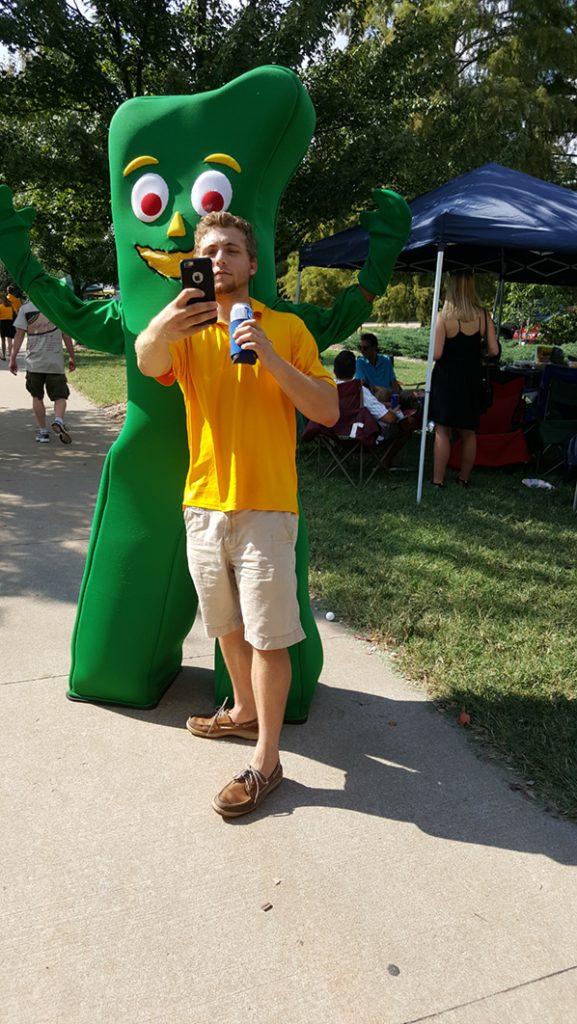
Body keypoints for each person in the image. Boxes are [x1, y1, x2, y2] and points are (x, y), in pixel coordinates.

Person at [134, 211, 338, 818]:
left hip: (266, 506)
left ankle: (267, 763)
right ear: (196, 264)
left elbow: (327, 409)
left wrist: (271, 357)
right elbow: (147, 362)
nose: (220, 259)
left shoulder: (289, 329)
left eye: (231, 250)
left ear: (253, 264)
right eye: (209, 251)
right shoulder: (188, 330)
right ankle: (243, 712)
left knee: (269, 636)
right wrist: (163, 323)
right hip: (203, 503)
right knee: (224, 624)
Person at [429, 271, 499, 487]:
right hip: (471, 378)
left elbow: (437, 354)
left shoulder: (443, 317)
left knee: (442, 429)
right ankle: (464, 478)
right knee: (469, 431)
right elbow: (494, 350)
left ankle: (438, 480)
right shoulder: (483, 315)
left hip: (447, 379)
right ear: (471, 287)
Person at [334, 348, 418, 466]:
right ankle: (386, 460)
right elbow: (389, 418)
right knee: (408, 423)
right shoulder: (359, 391)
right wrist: (394, 412)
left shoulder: (328, 388)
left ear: (334, 370)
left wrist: (384, 405)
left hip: (335, 435)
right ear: (355, 370)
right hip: (361, 436)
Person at [9, 300, 76, 443]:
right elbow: (66, 335)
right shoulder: (56, 305)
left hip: (34, 363)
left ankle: (43, 432)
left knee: (37, 397)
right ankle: (58, 420)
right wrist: (72, 356)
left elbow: (19, 335)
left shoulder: (26, 309)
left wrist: (13, 357)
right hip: (54, 362)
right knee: (60, 396)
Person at [355, 331, 398, 399]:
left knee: (414, 395)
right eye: (360, 347)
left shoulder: (386, 361)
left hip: (389, 395)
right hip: (373, 398)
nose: (362, 351)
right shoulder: (360, 363)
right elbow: (361, 384)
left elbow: (394, 383)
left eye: (365, 348)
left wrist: (395, 395)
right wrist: (377, 389)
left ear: (374, 347)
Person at [0, 289, 16, 361]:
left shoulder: (0, 307)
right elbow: (15, 313)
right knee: (9, 340)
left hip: (2, 323)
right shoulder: (11, 305)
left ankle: (3, 355)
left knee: (3, 340)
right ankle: (10, 355)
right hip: (10, 323)